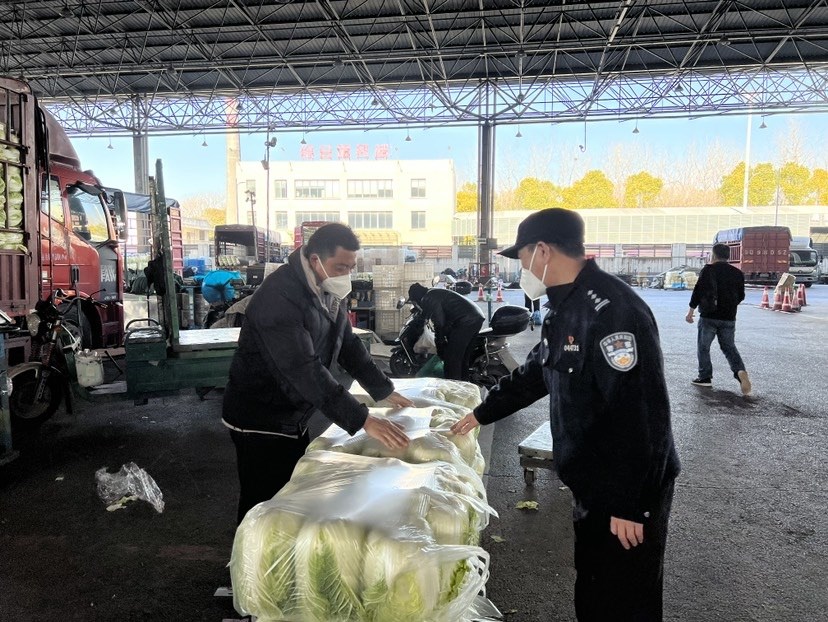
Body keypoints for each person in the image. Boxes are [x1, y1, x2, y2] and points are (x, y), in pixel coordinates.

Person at [450, 208, 681, 621]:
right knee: (594, 589)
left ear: (542, 251)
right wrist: (482, 413)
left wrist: (630, 505)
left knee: (627, 599)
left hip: (624, 489)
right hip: (591, 483)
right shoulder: (564, 307)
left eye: (520, 258)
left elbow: (642, 413)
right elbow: (536, 372)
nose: (521, 269)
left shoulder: (612, 312)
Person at [222, 223, 413, 525]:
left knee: (290, 494)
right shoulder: (280, 296)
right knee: (262, 505)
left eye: (350, 267)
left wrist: (383, 389)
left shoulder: (324, 290)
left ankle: (278, 559)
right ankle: (245, 565)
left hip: (292, 413)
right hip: (259, 416)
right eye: (340, 266)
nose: (345, 275)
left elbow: (347, 344)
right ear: (315, 260)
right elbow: (304, 369)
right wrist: (362, 419)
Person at [685, 243, 751, 395]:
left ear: (714, 255)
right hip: (729, 317)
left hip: (709, 316)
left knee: (703, 347)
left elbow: (698, 291)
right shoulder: (737, 273)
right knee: (729, 347)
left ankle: (705, 377)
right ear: (728, 256)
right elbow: (741, 296)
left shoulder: (708, 270)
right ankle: (740, 371)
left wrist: (690, 311)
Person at [407, 282, 485, 381]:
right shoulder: (433, 292)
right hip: (476, 317)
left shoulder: (428, 298)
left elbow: (440, 322)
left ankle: (453, 386)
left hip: (465, 321)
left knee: (452, 359)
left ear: (416, 297)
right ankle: (464, 385)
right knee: (463, 357)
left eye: (414, 301)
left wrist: (439, 343)